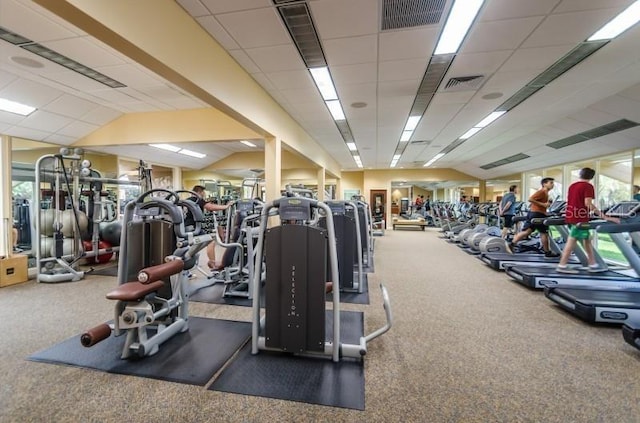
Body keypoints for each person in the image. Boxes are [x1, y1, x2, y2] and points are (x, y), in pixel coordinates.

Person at [556, 168, 619, 273]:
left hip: (571, 216)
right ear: (591, 177)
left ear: (580, 175)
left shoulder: (572, 186)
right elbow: (587, 203)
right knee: (571, 241)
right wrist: (604, 216)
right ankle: (562, 265)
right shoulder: (588, 186)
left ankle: (592, 264)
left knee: (587, 239)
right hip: (579, 219)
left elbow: (574, 202)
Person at [506, 178, 558, 257]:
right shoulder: (542, 191)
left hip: (535, 213)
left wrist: (546, 206)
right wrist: (543, 205)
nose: (552, 184)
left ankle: (512, 244)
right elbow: (530, 199)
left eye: (553, 183)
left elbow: (539, 204)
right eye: (551, 183)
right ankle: (547, 252)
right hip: (538, 214)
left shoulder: (546, 193)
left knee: (527, 232)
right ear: (544, 184)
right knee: (544, 233)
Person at [185, 185, 232, 270]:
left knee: (201, 243)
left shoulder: (187, 200)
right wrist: (226, 206)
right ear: (199, 192)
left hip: (186, 227)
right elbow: (210, 207)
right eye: (203, 192)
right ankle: (212, 264)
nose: (204, 194)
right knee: (210, 241)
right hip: (193, 228)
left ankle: (192, 262)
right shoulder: (197, 200)